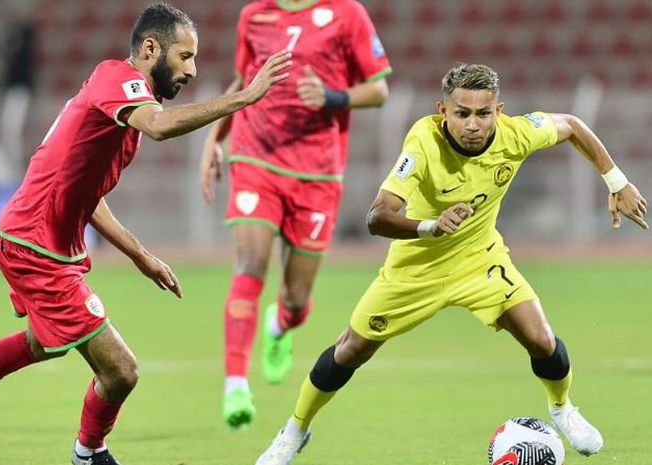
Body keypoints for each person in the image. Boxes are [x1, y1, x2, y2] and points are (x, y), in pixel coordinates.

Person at [254, 63, 648, 465]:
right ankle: (295, 430)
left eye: (483, 113)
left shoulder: (516, 134)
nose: (472, 124)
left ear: (499, 110)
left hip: (479, 259)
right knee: (349, 350)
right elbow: (377, 217)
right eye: (462, 113)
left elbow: (572, 125)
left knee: (541, 339)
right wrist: (430, 226)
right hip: (416, 268)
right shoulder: (423, 142)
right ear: (443, 110)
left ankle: (562, 408)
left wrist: (616, 181)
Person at [0, 3, 291, 465]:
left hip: (39, 241)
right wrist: (245, 97)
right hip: (34, 245)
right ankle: (88, 452)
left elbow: (87, 193)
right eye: (185, 56)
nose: (191, 70)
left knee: (39, 343)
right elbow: (161, 126)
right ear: (151, 48)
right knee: (122, 371)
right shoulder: (119, 83)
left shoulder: (120, 104)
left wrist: (140, 255)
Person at [199, 0, 392, 430]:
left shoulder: (346, 13)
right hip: (255, 157)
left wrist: (332, 97)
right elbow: (242, 81)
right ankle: (235, 384)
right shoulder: (253, 15)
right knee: (250, 264)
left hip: (317, 173)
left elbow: (378, 90)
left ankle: (280, 324)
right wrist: (214, 137)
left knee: (297, 299)